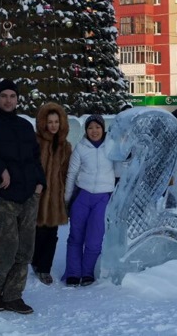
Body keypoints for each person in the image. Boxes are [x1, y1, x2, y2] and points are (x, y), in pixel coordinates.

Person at [0, 79, 46, 314]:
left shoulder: (24, 125)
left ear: (17, 99)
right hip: (1, 195)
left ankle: (13, 295)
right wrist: (0, 169)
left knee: (25, 250)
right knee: (5, 247)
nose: (8, 100)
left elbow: (35, 157)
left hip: (29, 194)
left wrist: (40, 183)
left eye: (12, 96)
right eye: (4, 96)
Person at [63, 115, 116, 287]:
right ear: (86, 130)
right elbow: (71, 175)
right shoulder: (80, 148)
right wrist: (67, 199)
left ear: (103, 128)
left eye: (97, 127)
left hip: (103, 198)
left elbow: (122, 168)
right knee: (75, 237)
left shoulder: (112, 147)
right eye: (90, 128)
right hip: (82, 197)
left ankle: (87, 273)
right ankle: (72, 273)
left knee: (94, 239)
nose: (94, 131)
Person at [30, 102, 72, 286]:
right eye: (50, 122)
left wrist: (65, 194)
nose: (53, 125)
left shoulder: (65, 146)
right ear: (43, 123)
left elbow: (67, 171)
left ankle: (45, 268)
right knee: (37, 232)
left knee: (52, 233)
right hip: (37, 194)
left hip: (55, 196)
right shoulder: (35, 142)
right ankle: (35, 261)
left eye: (56, 121)